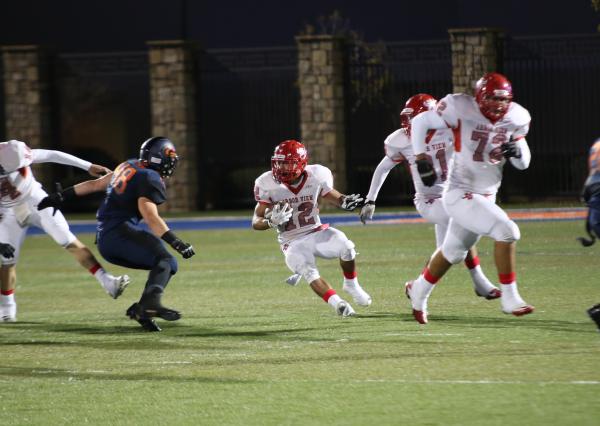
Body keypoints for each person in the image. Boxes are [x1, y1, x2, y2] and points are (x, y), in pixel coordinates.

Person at [404, 72, 534, 324]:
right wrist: (421, 159)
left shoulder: (517, 116)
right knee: (507, 231)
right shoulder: (460, 107)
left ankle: (417, 291)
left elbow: (523, 164)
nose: (498, 104)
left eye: (503, 99)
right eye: (493, 98)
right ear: (480, 97)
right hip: (459, 192)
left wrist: (517, 152)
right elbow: (420, 122)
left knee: (452, 252)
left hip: (486, 195)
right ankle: (510, 297)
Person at [38, 136, 195, 332]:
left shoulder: (128, 165)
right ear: (158, 158)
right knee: (164, 260)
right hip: (119, 234)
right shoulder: (149, 177)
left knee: (167, 263)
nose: (171, 163)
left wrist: (60, 196)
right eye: (169, 157)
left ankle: (142, 309)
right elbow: (150, 217)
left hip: (107, 238)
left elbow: (95, 185)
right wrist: (177, 242)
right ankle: (149, 305)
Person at [360, 93, 500, 301]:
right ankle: (479, 281)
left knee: (446, 252)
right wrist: (370, 199)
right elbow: (383, 169)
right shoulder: (400, 141)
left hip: (452, 194)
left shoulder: (449, 131)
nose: (412, 123)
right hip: (429, 200)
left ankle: (416, 286)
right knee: (461, 225)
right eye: (409, 118)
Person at [0, 140, 130, 322]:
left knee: (67, 239)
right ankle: (6, 308)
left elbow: (51, 154)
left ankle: (107, 281)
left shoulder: (14, 150)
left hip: (36, 199)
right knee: (7, 260)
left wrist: (88, 166)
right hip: (7, 212)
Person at [252, 139, 371, 317]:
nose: (283, 168)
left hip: (316, 232)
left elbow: (333, 195)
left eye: (288, 163)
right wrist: (270, 222)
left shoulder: (317, 174)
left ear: (301, 163)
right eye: (280, 163)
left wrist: (344, 201)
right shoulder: (267, 182)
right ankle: (339, 304)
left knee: (347, 248)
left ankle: (351, 284)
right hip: (291, 241)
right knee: (308, 271)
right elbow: (256, 220)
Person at [577, 138, 600, 247]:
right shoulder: (596, 144)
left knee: (595, 222)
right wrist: (587, 186)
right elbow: (594, 169)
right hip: (596, 186)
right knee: (594, 222)